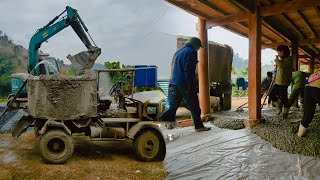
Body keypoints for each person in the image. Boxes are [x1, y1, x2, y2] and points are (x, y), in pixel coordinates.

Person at [159, 37, 211, 132]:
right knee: (194, 105)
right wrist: (191, 87)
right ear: (195, 45)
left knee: (174, 105)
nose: (198, 49)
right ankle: (199, 127)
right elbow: (189, 70)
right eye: (198, 47)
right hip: (184, 83)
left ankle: (163, 120)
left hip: (173, 83)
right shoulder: (191, 52)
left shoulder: (178, 52)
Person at [269, 45, 293, 118]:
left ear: (282, 52)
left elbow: (281, 66)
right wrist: (274, 77)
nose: (278, 54)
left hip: (283, 83)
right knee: (271, 95)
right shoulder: (282, 60)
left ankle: (285, 113)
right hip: (278, 82)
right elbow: (278, 70)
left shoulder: (289, 59)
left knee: (284, 98)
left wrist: (276, 59)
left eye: (278, 52)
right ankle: (280, 105)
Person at [297, 69, 320, 137]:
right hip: (317, 88)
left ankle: (300, 134)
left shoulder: (316, 71)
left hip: (307, 88)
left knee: (308, 114)